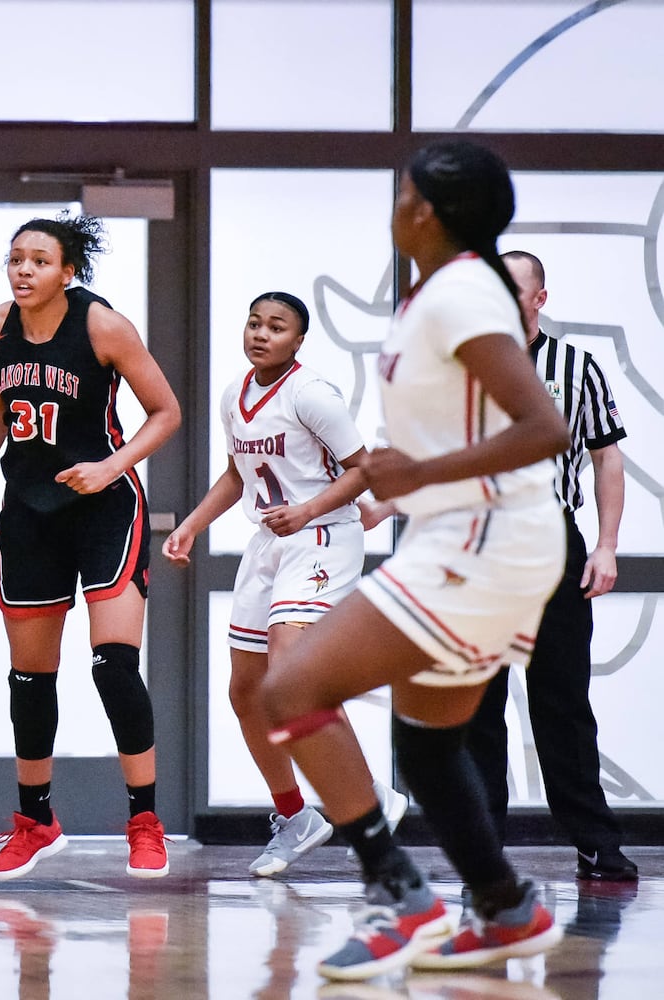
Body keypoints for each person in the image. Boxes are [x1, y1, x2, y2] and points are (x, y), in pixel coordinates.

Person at [257, 139, 572, 980]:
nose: (393, 203)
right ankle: (504, 906)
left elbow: (545, 427)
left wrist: (418, 473)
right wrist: (404, 476)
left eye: (401, 192)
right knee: (429, 746)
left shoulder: (463, 290)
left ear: (426, 209)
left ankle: (398, 893)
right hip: (471, 534)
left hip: (485, 538)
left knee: (290, 687)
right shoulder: (440, 292)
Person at [0, 213, 181, 880]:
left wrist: (113, 466)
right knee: (30, 676)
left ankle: (144, 820)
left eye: (38, 260)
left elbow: (166, 411)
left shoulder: (103, 326)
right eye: (15, 259)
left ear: (67, 272)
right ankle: (36, 819)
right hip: (30, 508)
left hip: (105, 506)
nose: (23, 270)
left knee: (113, 664)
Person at [162, 291, 407, 878]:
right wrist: (193, 525)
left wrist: (308, 510)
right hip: (269, 541)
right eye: (254, 322)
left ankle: (370, 791)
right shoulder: (233, 395)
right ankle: (295, 816)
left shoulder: (311, 394)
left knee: (290, 667)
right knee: (246, 690)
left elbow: (362, 470)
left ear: (298, 341)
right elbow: (236, 475)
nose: (261, 333)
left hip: (323, 535)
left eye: (277, 326)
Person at [465, 250, 636, 882]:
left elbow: (606, 461)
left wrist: (607, 543)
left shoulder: (577, 366)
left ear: (540, 297)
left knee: (561, 699)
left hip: (550, 539)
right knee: (476, 704)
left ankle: (595, 841)